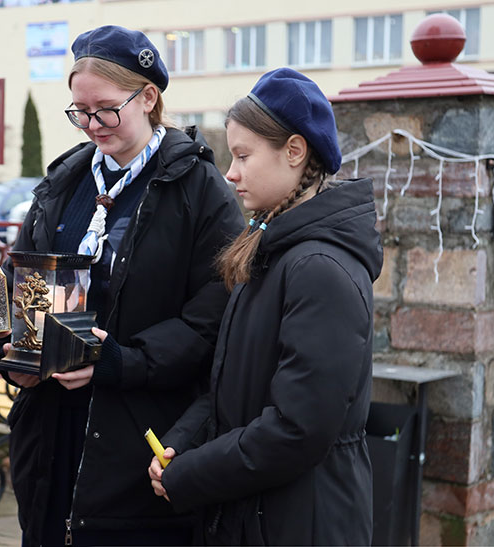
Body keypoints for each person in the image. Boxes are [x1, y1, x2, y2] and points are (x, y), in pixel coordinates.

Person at [0, 25, 245, 546]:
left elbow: (213, 319)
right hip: (51, 438)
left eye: (104, 109)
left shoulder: (201, 191)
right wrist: (15, 354)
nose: (90, 125)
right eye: (79, 111)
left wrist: (120, 363)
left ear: (149, 97)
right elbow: (24, 284)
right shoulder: (64, 182)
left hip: (138, 439)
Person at [148, 67, 382, 545]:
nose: (230, 173)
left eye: (243, 155)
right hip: (258, 512)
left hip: (302, 522)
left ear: (294, 151)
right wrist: (182, 442)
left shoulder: (319, 269)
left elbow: (298, 429)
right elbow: (230, 390)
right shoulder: (273, 250)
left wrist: (191, 475)